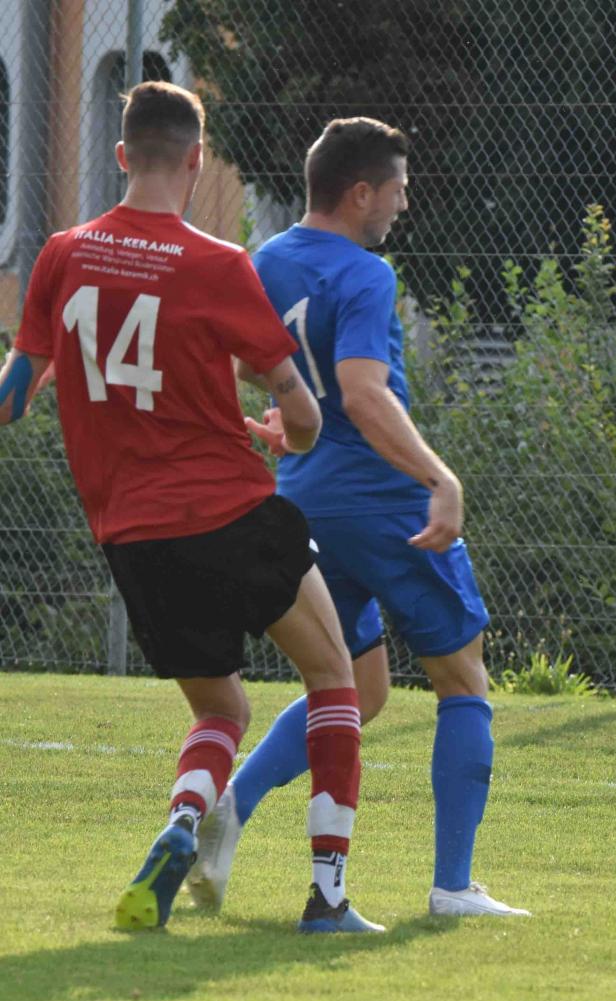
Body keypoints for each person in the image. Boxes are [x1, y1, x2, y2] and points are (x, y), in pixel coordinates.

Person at [0, 81, 381, 932]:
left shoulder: (62, 254)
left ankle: (181, 822)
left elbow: (16, 393)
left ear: (123, 155)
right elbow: (310, 418)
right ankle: (327, 897)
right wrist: (285, 431)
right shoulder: (217, 266)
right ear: (199, 159)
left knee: (221, 711)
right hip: (233, 511)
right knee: (335, 680)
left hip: (134, 537)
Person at [185, 116, 527, 918]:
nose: (404, 204)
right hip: (383, 500)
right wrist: (439, 476)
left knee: (356, 688)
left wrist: (282, 423)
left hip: (303, 497)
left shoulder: (266, 261)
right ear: (361, 191)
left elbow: (245, 367)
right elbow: (366, 395)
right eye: (398, 189)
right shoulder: (367, 275)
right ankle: (452, 888)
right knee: (461, 677)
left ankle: (232, 803)